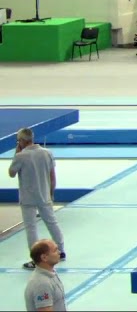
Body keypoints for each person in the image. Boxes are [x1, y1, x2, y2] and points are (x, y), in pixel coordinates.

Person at [8, 129, 65, 269]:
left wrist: (17, 152)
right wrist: (51, 193)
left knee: (31, 228)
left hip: (28, 197)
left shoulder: (21, 156)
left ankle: (36, 259)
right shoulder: (46, 153)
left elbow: (11, 173)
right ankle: (61, 251)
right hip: (44, 194)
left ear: (21, 141)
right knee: (52, 223)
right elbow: (52, 176)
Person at [24, 239, 65, 311]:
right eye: (55, 250)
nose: (59, 252)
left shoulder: (50, 274)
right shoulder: (42, 284)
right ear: (44, 257)